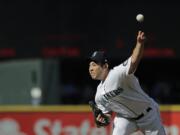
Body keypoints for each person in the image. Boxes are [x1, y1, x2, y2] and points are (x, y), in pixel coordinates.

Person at [88, 31, 166, 135]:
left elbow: (133, 61)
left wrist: (139, 44)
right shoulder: (98, 95)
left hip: (148, 114)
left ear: (105, 66)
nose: (90, 69)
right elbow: (107, 115)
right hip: (126, 118)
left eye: (94, 65)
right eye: (89, 66)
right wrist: (102, 119)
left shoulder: (117, 74)